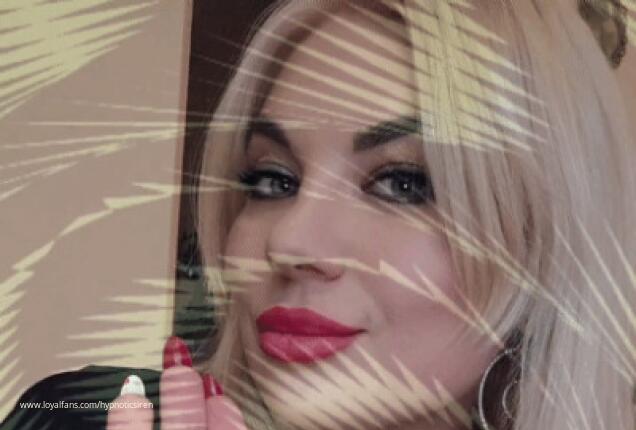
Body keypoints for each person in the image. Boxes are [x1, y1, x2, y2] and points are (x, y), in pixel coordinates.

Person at [2, 1, 634, 429]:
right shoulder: (74, 415)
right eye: (272, 180)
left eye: (404, 184)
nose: (290, 240)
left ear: (546, 248)